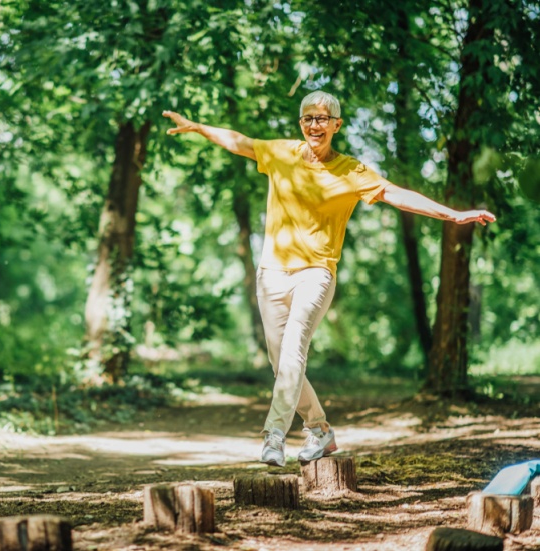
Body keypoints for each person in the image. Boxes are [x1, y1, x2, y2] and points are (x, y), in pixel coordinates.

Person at [163, 91, 496, 466]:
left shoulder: (351, 172)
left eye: (322, 118)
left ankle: (274, 435)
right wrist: (197, 128)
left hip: (316, 274)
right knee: (282, 364)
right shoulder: (281, 153)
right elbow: (239, 141)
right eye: (307, 118)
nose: (314, 125)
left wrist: (453, 215)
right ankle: (320, 431)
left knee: (293, 352)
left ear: (337, 124)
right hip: (271, 274)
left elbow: (396, 194)